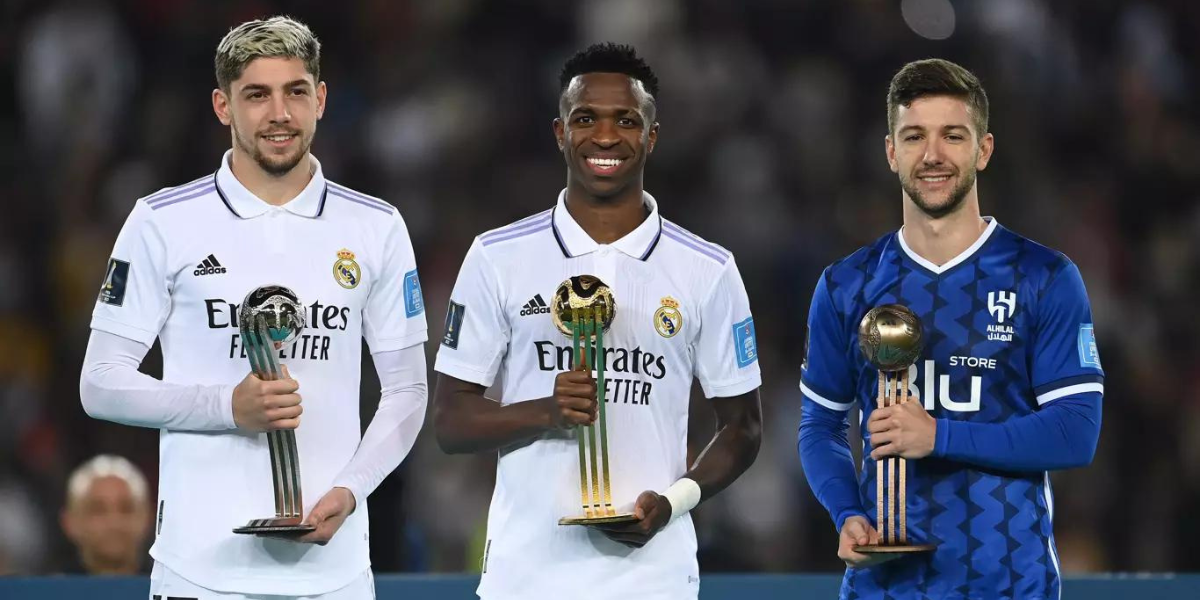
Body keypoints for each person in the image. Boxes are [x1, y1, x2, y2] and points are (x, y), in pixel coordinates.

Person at [79, 16, 428, 599]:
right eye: (256, 95)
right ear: (223, 106)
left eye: (295, 91)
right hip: (199, 575)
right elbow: (99, 383)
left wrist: (350, 491)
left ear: (320, 99)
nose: (279, 114)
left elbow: (408, 391)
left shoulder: (375, 226)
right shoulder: (163, 222)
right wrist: (227, 405)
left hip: (334, 578)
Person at [432, 43, 762, 600]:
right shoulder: (498, 256)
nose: (605, 137)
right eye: (586, 118)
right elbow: (450, 423)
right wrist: (547, 410)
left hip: (654, 579)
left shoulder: (707, 269)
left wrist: (674, 501)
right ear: (560, 132)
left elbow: (744, 428)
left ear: (651, 137)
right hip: (526, 578)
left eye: (625, 121)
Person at [798, 58, 1104, 599]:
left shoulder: (1043, 277)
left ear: (983, 150)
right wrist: (846, 513)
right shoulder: (845, 285)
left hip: (1009, 582)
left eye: (952, 136)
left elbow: (1076, 432)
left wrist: (939, 436)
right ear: (891, 152)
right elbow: (819, 428)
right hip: (884, 587)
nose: (932, 155)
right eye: (914, 136)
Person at [59, 455, 153, 575]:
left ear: (147, 519)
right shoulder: (47, 592)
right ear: (69, 522)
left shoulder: (175, 590)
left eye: (126, 509)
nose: (114, 522)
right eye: (98, 510)